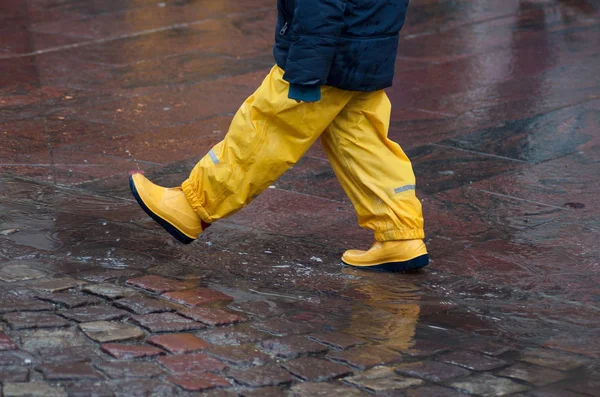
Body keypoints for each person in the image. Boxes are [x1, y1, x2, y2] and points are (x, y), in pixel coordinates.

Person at [129, 0, 428, 272]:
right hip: (365, 49)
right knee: (364, 144)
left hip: (325, 57)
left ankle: (192, 207)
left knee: (267, 129)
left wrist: (306, 71)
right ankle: (399, 232)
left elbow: (321, 5)